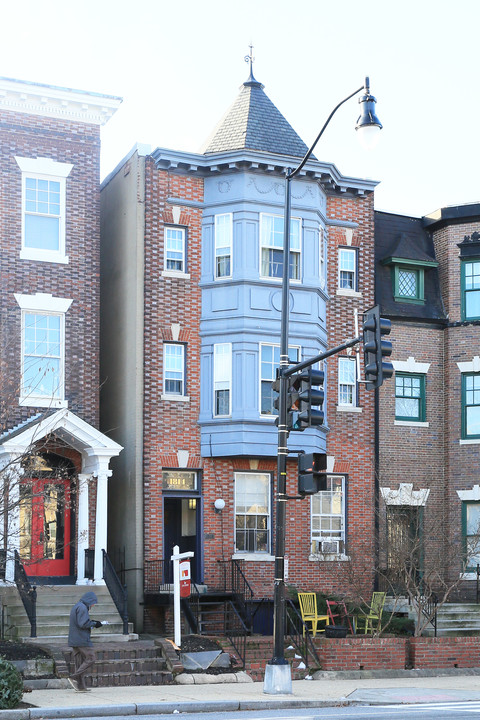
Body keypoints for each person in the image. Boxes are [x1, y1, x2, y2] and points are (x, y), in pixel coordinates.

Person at [67, 590, 102, 692]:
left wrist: (93, 623)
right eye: (93, 602)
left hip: (74, 639)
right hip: (82, 639)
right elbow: (83, 624)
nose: (93, 605)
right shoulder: (82, 608)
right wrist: (95, 623)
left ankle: (81, 687)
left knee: (79, 663)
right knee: (91, 658)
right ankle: (73, 677)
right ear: (89, 601)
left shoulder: (77, 606)